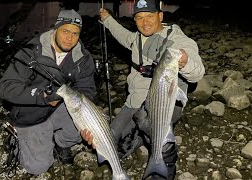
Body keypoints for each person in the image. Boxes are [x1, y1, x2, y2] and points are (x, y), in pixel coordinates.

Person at [81, 0, 205, 179]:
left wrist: (185, 63)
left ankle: (164, 166)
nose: (145, 22)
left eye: (150, 16)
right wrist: (107, 19)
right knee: (111, 140)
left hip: (165, 99)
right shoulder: (137, 38)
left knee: (154, 128)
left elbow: (198, 73)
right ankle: (139, 137)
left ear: (160, 16)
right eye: (139, 17)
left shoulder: (178, 40)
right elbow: (122, 34)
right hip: (136, 99)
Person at [0, 9, 96, 175]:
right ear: (55, 29)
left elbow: (86, 91)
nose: (69, 38)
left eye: (75, 33)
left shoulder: (83, 58)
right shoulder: (30, 52)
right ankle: (16, 139)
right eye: (65, 31)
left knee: (86, 126)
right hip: (31, 113)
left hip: (59, 106)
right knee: (38, 167)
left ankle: (60, 143)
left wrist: (88, 125)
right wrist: (41, 95)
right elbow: (5, 87)